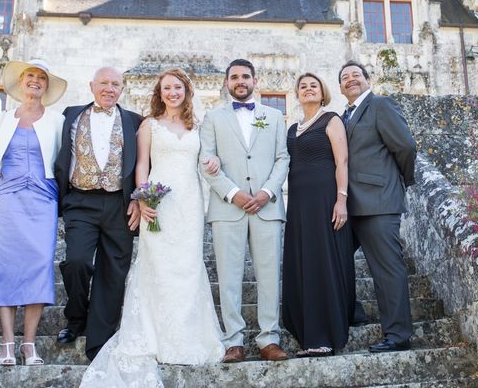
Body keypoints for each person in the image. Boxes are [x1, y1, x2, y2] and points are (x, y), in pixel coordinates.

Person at [80, 68, 224, 387]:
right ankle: (156, 337)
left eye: (177, 87)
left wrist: (213, 163)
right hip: (157, 205)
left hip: (189, 205)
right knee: (157, 267)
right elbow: (141, 164)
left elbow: (208, 160)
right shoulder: (148, 126)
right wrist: (143, 198)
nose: (172, 93)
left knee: (187, 268)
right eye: (166, 88)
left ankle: (187, 338)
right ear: (159, 93)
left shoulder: (198, 126)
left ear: (187, 91)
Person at [0, 59, 67, 366]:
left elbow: (64, 161)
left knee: (38, 266)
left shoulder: (57, 121)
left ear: (46, 86)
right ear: (21, 81)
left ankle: (29, 343)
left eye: (41, 77)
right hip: (10, 196)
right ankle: (7, 343)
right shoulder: (2, 118)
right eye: (31, 76)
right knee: (5, 265)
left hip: (43, 198)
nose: (35, 81)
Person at [199, 58, 290, 363]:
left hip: (268, 207)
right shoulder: (212, 118)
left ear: (254, 81)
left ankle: (269, 339)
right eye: (235, 77)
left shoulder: (275, 116)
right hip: (228, 209)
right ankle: (233, 341)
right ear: (227, 83)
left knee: (269, 275)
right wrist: (234, 193)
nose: (240, 81)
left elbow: (282, 159)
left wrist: (266, 192)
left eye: (246, 76)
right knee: (228, 276)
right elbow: (206, 162)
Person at [54, 67, 142, 361]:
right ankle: (76, 317)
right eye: (103, 83)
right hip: (81, 201)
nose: (109, 88)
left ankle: (99, 339)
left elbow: (146, 163)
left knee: (114, 272)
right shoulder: (70, 115)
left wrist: (139, 199)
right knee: (77, 261)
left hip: (119, 204)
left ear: (122, 89)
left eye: (115, 84)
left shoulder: (134, 121)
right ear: (92, 85)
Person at [339, 61, 417, 353]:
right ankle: (353, 313)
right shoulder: (344, 115)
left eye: (356, 75)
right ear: (340, 86)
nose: (351, 80)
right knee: (333, 260)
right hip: (349, 205)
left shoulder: (380, 105)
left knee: (387, 270)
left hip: (379, 202)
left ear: (367, 79)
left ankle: (398, 335)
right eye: (345, 77)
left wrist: (400, 181)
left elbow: (406, 147)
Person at [281, 72, 354, 357]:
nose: (308, 89)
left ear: (322, 91)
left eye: (313, 85)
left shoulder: (331, 119)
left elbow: (342, 161)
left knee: (322, 262)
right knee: (303, 262)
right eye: (302, 86)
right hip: (298, 204)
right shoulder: (292, 129)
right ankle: (306, 333)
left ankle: (325, 334)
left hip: (325, 199)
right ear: (297, 94)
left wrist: (341, 200)